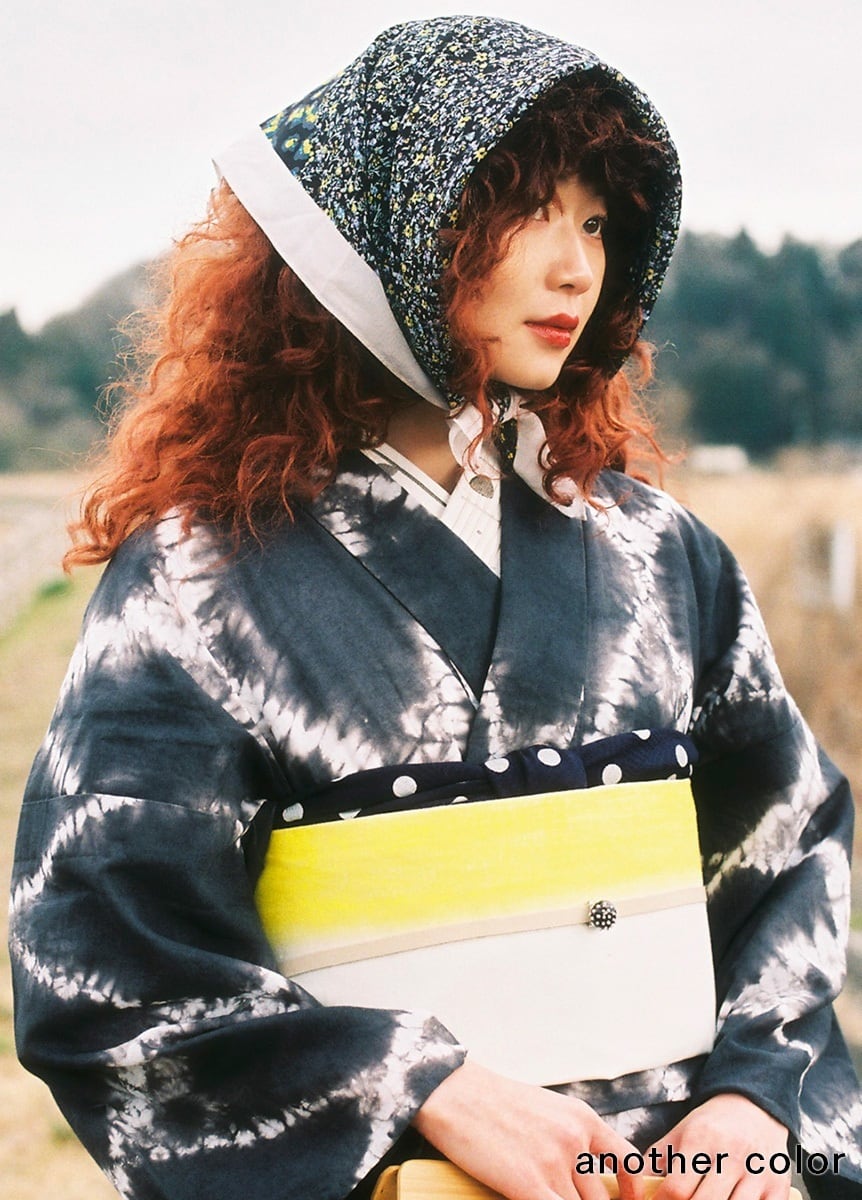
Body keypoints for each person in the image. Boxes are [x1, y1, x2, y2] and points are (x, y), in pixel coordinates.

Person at [8, 15, 862, 1200]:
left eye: (596, 223)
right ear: (397, 219)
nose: (577, 268)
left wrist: (752, 1102)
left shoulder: (664, 555)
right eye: (529, 210)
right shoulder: (196, 581)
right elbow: (106, 964)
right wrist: (420, 1087)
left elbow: (788, 853)